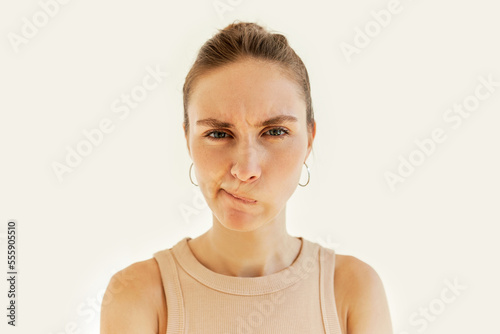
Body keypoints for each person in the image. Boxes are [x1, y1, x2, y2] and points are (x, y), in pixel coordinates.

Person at [100, 21, 393, 334]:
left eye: (275, 132)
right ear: (188, 140)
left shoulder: (352, 290)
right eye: (218, 133)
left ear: (309, 139)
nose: (245, 169)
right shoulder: (139, 295)